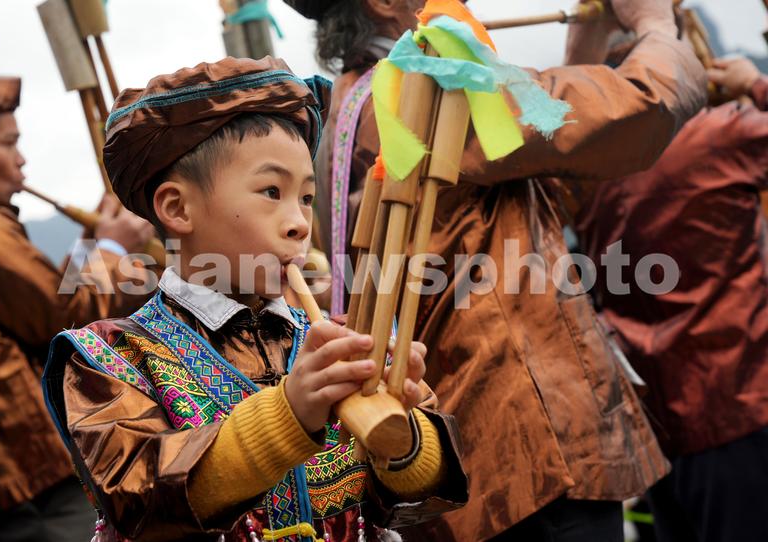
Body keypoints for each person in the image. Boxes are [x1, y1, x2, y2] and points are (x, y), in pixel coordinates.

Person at [283, 0, 708, 540]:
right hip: (529, 454)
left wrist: (587, 43)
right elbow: (640, 106)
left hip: (464, 457)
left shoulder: (349, 108)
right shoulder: (427, 84)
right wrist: (654, 23)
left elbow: (548, 190)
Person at [42, 56, 467, 541]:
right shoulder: (111, 357)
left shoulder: (339, 344)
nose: (300, 224)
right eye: (271, 191)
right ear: (178, 208)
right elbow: (139, 500)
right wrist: (290, 413)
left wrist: (402, 436)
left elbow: (419, 501)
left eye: (306, 198)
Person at [571, 55, 768, 542]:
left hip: (658, 429)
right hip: (740, 407)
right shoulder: (718, 136)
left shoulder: (589, 170)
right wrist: (753, 83)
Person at [0, 74, 156, 541]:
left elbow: (35, 301)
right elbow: (59, 317)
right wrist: (113, 250)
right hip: (22, 471)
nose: (21, 159)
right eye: (8, 143)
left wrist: (91, 247)